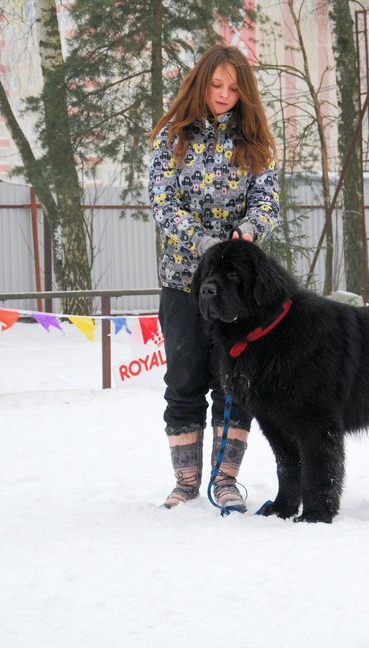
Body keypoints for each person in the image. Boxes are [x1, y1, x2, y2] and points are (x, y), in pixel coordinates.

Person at [148, 45, 280, 511]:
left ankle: (226, 480)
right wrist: (201, 242)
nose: (224, 94)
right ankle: (185, 482)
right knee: (184, 379)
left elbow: (267, 201)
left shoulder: (256, 143)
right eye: (216, 84)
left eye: (233, 87)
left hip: (238, 289)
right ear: (200, 83)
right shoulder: (171, 138)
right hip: (184, 281)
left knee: (233, 383)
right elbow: (163, 203)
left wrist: (249, 230)